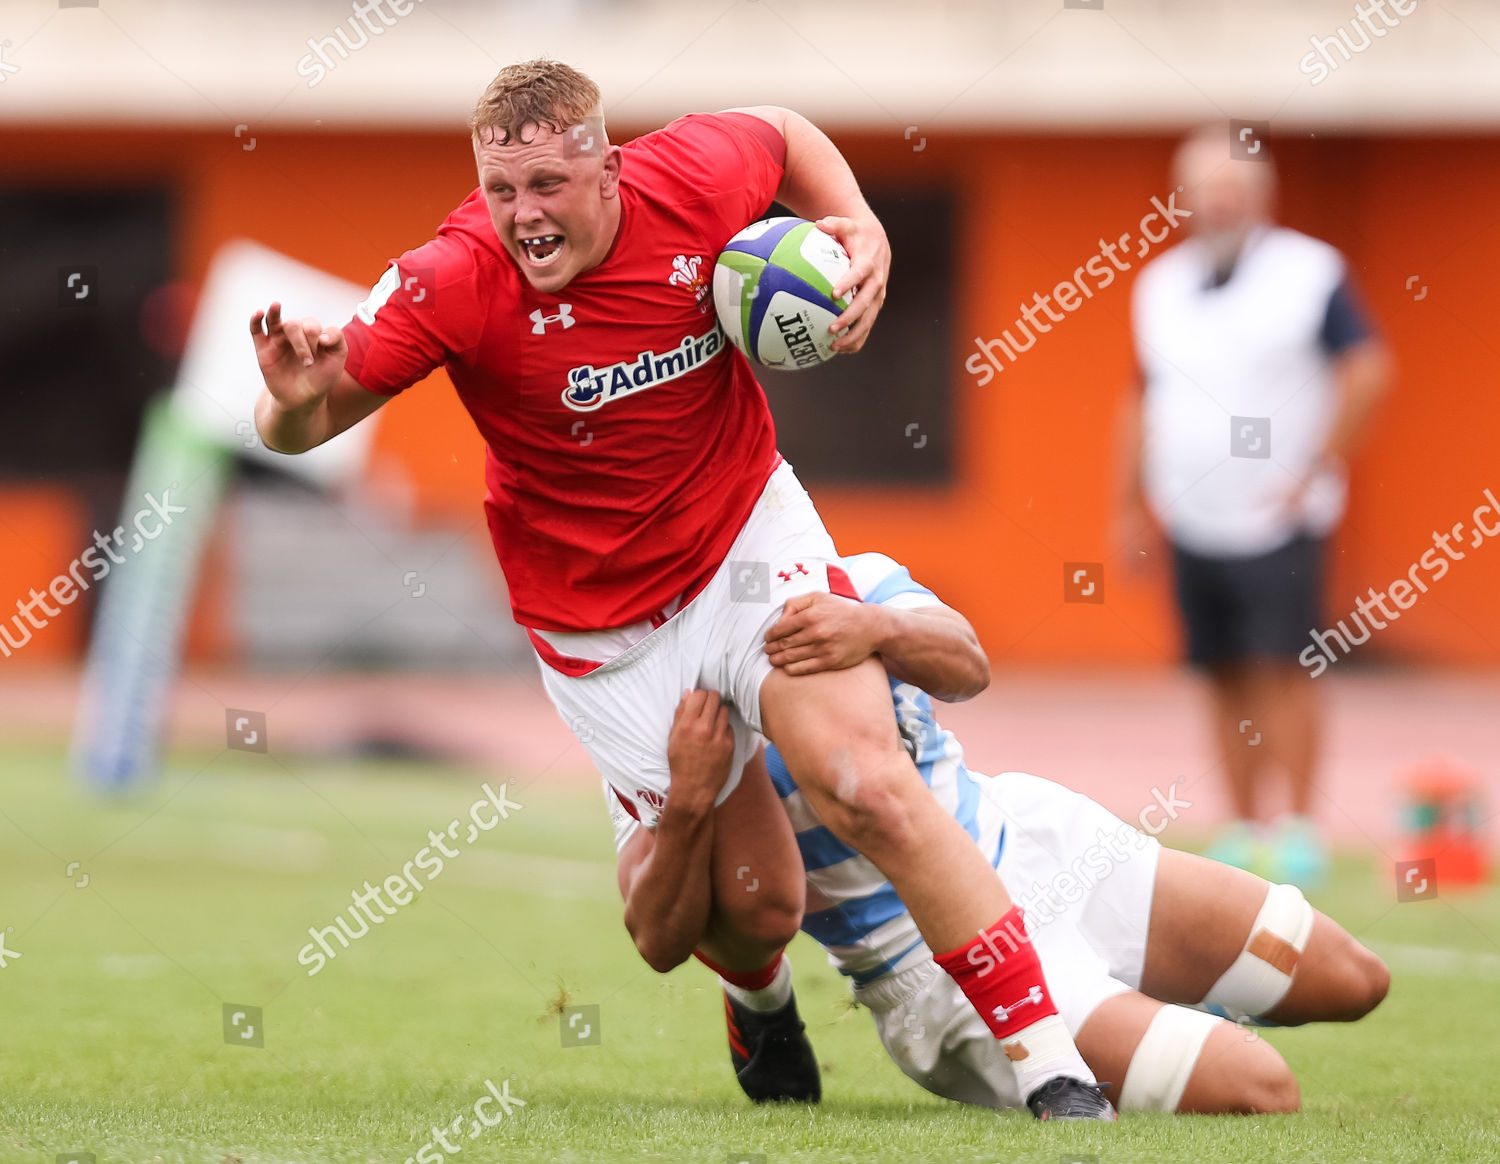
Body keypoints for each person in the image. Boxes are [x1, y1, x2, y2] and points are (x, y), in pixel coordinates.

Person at [249, 59, 1110, 1118]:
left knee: (866, 781)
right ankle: (761, 1000)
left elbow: (786, 128)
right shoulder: (450, 277)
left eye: (548, 188)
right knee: (752, 906)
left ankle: (1052, 1069)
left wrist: (857, 222)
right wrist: (287, 406)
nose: (522, 217)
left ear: (609, 169)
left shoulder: (693, 178)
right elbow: (307, 421)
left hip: (745, 533)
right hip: (603, 629)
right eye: (501, 191)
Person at [609, 553, 1390, 1114]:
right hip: (930, 968)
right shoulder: (654, 700)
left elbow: (968, 664)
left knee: (1355, 979)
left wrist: (876, 626)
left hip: (1042, 842)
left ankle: (1146, 1012)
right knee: (1263, 1088)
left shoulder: (834, 578)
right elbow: (653, 930)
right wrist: (686, 802)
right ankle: (753, 990)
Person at [1115, 123, 1391, 887]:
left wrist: (1319, 464)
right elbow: (1142, 396)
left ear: (1261, 195)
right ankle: (1243, 825)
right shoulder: (1159, 285)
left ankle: (1300, 827)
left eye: (1231, 187)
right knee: (1219, 669)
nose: (1217, 202)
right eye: (1203, 189)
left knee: (1287, 667)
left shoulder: (1309, 271)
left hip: (1280, 514)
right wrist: (1128, 503)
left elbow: (1367, 367)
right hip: (1191, 513)